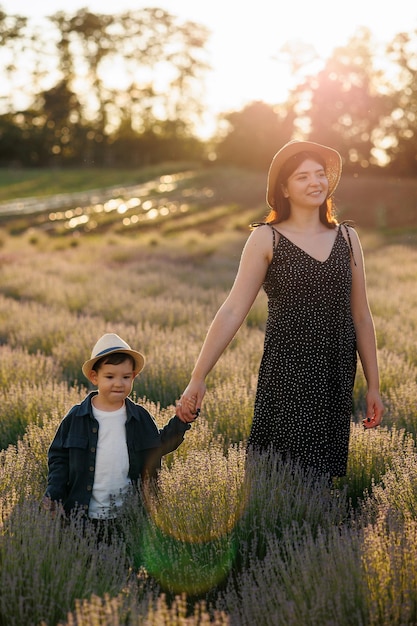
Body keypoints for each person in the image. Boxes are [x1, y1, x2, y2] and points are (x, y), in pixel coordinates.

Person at [176, 140, 384, 478]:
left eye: (320, 174)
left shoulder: (347, 237)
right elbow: (232, 310)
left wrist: (374, 385)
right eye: (302, 177)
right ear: (284, 188)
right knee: (277, 470)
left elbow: (361, 315)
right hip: (286, 370)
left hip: (335, 371)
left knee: (321, 476)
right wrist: (197, 377)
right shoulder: (266, 238)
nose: (315, 182)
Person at [43, 333, 194, 520]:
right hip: (82, 517)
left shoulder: (139, 417)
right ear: (94, 377)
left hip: (129, 517)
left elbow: (158, 446)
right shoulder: (76, 418)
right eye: (109, 376)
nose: (118, 383)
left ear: (133, 377)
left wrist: (181, 422)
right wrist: (53, 494)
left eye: (125, 377)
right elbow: (59, 459)